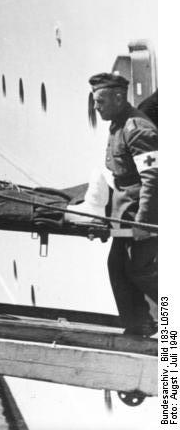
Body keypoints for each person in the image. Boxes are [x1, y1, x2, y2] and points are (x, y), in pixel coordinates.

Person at [87, 72, 158, 337]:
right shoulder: (118, 125)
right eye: (95, 102)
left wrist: (144, 220)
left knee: (140, 269)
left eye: (101, 101)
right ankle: (139, 323)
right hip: (124, 210)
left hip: (141, 211)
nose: (96, 108)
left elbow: (153, 178)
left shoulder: (136, 129)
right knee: (118, 266)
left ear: (119, 97)